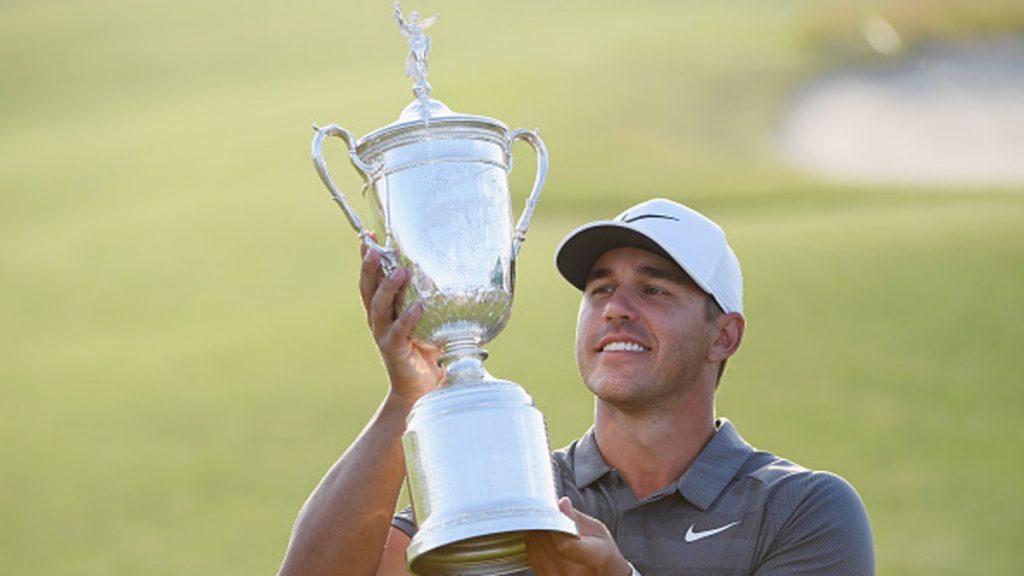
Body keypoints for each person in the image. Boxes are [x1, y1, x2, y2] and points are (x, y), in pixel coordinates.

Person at [277, 198, 875, 576]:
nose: (616, 308)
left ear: (724, 336)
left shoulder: (800, 509)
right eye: (600, 289)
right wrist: (408, 398)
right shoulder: (516, 491)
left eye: (655, 288)